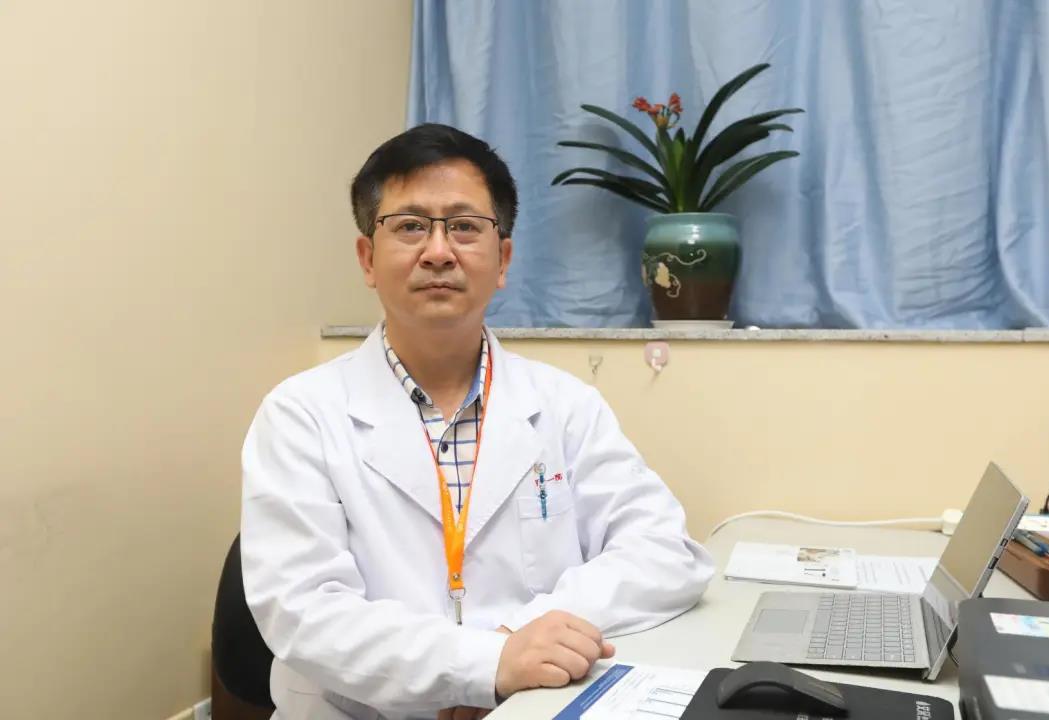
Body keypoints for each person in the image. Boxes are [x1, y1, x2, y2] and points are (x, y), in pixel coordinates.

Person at [240, 123, 714, 720]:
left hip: (532, 705)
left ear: (503, 259)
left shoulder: (565, 405)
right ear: (367, 258)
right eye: (410, 226)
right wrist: (480, 666)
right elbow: (303, 609)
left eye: (464, 226)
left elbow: (666, 552)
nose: (439, 251)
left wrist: (516, 646)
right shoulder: (299, 415)